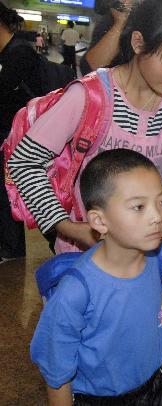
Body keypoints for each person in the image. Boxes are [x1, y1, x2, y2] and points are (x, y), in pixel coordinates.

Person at [7, 0, 162, 277]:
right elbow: (23, 162)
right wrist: (67, 228)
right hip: (85, 257)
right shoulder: (89, 97)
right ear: (138, 42)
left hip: (147, 257)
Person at [30, 149, 162, 404]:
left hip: (153, 387)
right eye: (139, 207)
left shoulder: (161, 258)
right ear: (99, 220)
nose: (157, 217)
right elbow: (57, 375)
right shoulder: (75, 291)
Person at [0, 2, 41, 263]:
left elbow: (6, 93)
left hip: (21, 138)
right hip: (8, 133)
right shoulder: (7, 53)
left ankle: (11, 248)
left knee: (8, 192)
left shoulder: (20, 52)